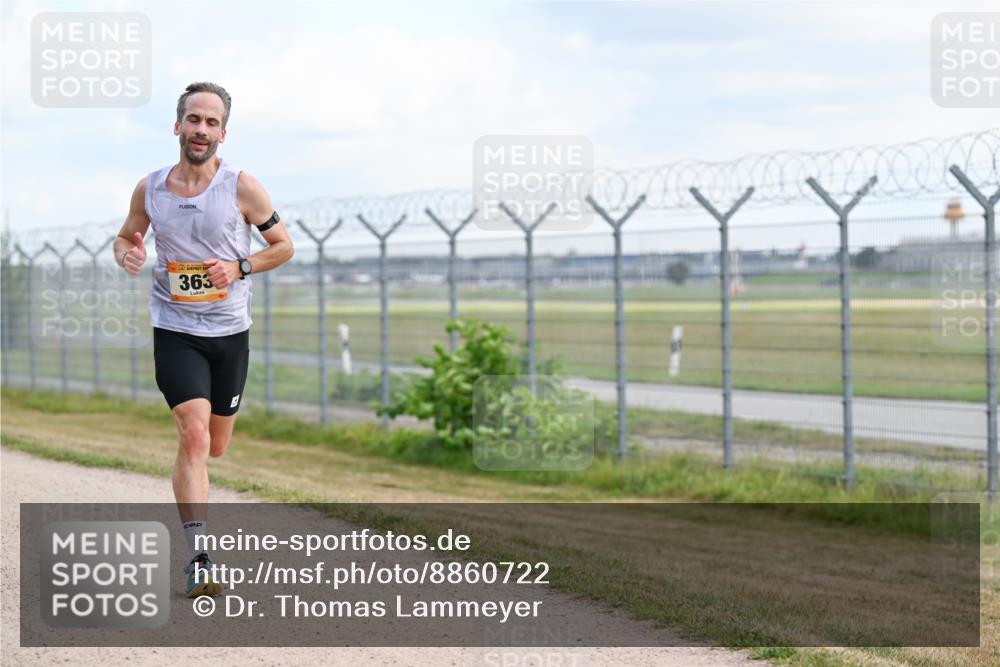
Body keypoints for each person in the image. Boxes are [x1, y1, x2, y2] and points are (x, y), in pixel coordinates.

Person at [113, 82, 294, 597]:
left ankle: (200, 525)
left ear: (223, 133)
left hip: (230, 332)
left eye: (212, 123)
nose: (201, 130)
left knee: (215, 444)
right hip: (175, 328)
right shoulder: (150, 189)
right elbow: (127, 235)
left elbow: (283, 247)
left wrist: (239, 266)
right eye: (194, 119)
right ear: (178, 126)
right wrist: (125, 252)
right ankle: (199, 557)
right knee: (192, 435)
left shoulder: (242, 186)